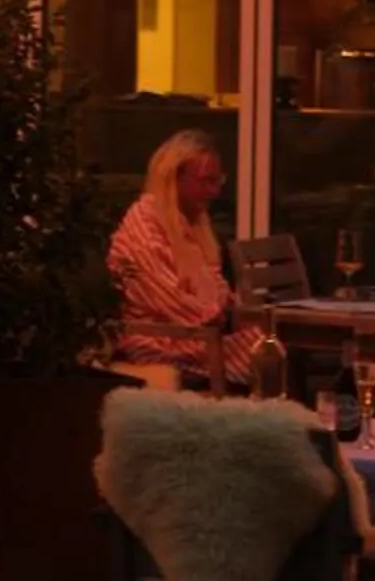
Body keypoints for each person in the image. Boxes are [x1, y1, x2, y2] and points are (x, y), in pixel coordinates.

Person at [107, 129, 266, 388]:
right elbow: (171, 301)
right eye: (205, 181)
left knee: (268, 342)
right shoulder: (145, 226)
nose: (214, 191)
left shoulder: (188, 224)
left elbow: (215, 284)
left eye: (217, 181)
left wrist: (235, 310)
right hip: (157, 340)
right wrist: (227, 316)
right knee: (262, 350)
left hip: (195, 333)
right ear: (174, 178)